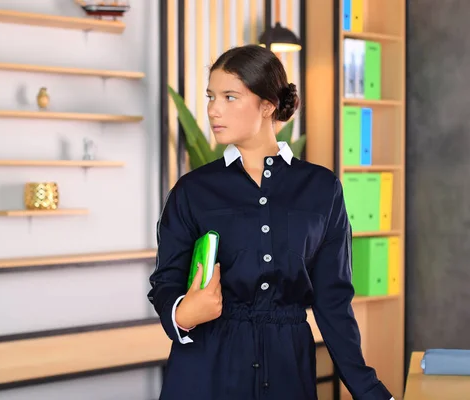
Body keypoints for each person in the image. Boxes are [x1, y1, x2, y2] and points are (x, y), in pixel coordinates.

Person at [147, 44, 394, 400]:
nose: (214, 109)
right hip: (205, 370)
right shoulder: (192, 191)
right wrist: (184, 313)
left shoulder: (322, 189)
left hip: (288, 368)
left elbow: (333, 302)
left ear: (267, 105)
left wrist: (371, 392)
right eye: (211, 96)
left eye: (230, 97)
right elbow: (165, 282)